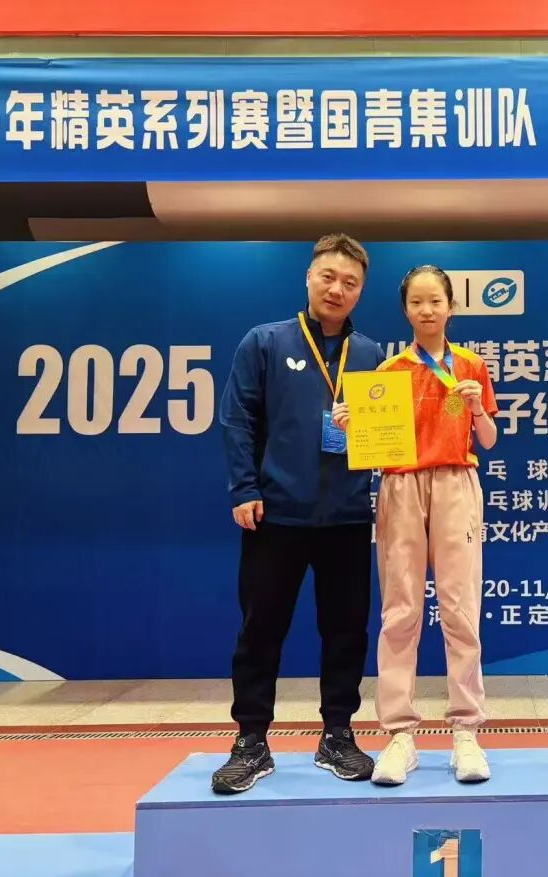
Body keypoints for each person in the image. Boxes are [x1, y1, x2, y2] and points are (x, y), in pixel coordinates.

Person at [211, 233, 384, 794]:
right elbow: (237, 419)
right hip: (276, 515)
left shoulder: (372, 356)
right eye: (328, 277)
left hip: (349, 519)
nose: (337, 289)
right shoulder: (265, 341)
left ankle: (338, 734)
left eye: (350, 282)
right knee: (260, 630)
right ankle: (251, 741)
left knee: (346, 632)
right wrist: (244, 488)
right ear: (309, 278)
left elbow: (385, 436)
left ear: (360, 291)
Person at [336, 265, 498, 785]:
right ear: (406, 310)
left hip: (456, 483)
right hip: (401, 486)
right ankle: (399, 735)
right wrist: (349, 426)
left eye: (435, 301)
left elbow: (489, 440)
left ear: (451, 307)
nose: (427, 311)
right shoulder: (389, 371)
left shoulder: (471, 365)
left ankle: (466, 731)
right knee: (400, 611)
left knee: (460, 609)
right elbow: (367, 443)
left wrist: (476, 409)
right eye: (416, 303)